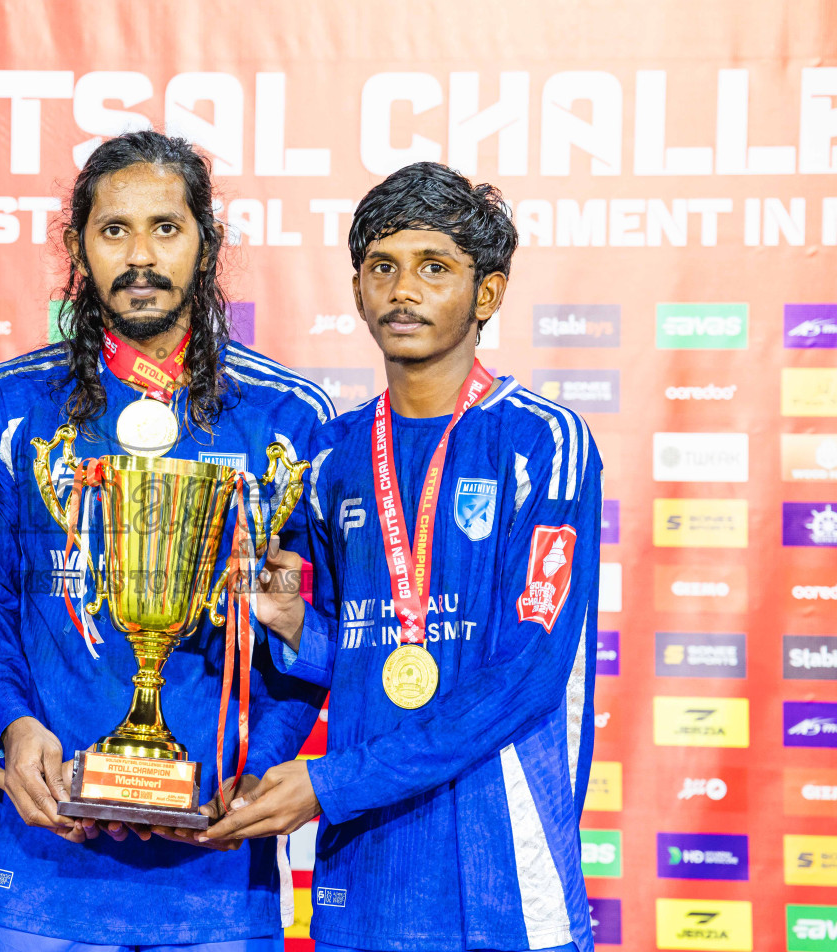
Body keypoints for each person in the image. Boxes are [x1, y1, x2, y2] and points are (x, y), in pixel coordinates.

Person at [203, 162, 602, 952]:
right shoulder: (336, 454)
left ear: (485, 295)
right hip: (366, 873)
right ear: (356, 291)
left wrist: (326, 783)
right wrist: (288, 623)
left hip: (498, 877)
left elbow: (523, 677)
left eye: (433, 269)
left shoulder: (541, 442)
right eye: (381, 268)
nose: (402, 290)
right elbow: (347, 654)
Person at [0, 130, 332, 952]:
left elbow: (303, 633)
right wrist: (15, 729)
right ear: (78, 247)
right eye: (113, 230)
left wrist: (253, 770)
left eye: (166, 228)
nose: (140, 256)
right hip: (41, 862)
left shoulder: (288, 417)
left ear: (207, 243)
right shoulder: (8, 404)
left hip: (217, 872)